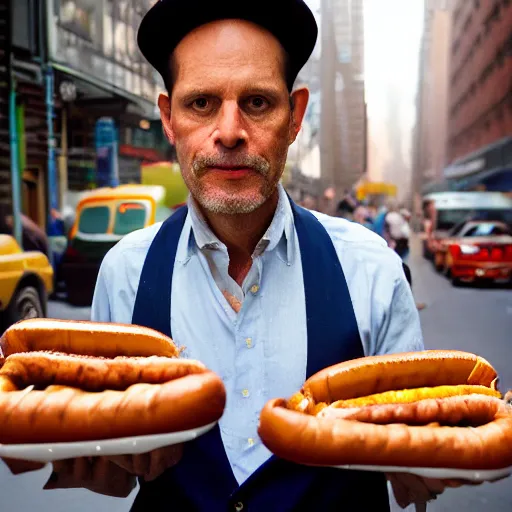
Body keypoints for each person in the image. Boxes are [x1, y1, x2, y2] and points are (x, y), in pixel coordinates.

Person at [45, 1, 472, 509]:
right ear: (168, 118)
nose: (229, 131)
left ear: (295, 117)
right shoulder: (124, 273)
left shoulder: (371, 269)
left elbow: (411, 464)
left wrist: (430, 463)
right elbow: (112, 478)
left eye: (257, 102)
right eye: (201, 103)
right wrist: (106, 456)